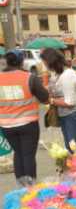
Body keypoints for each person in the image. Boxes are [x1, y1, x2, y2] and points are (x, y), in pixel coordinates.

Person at [0, 50, 49, 186]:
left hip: (6, 126)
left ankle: (21, 186)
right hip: (27, 124)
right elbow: (45, 98)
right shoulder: (29, 77)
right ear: (22, 62)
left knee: (18, 153)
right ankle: (30, 187)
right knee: (27, 155)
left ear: (7, 62)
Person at [42, 48, 76, 152]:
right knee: (70, 146)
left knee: (75, 146)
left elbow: (69, 102)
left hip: (74, 114)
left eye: (45, 63)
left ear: (51, 61)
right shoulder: (57, 74)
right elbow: (52, 90)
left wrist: (51, 100)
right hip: (65, 114)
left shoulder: (67, 75)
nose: (45, 66)